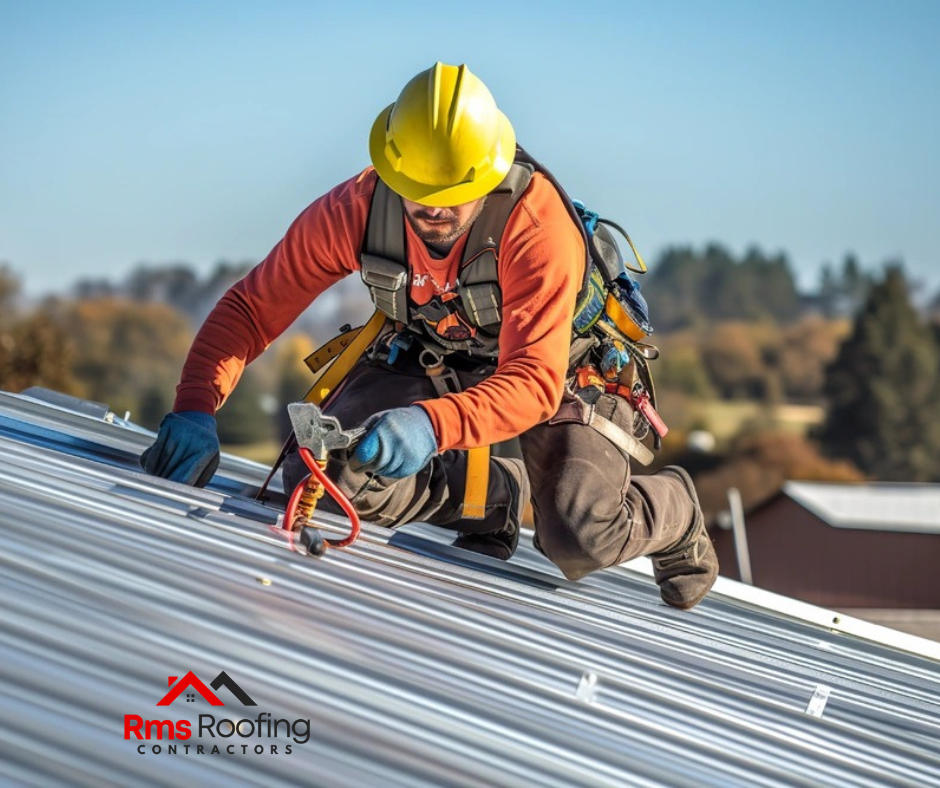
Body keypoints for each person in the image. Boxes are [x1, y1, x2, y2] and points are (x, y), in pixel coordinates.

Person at [142, 62, 718, 610]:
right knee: (326, 477)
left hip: (563, 368)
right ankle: (492, 497)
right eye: (419, 191)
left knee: (578, 535)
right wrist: (197, 406)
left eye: (454, 194)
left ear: (488, 172)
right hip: (434, 351)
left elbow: (533, 384)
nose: (435, 210)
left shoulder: (536, 228)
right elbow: (252, 308)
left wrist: (431, 424)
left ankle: (677, 511)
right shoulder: (356, 210)